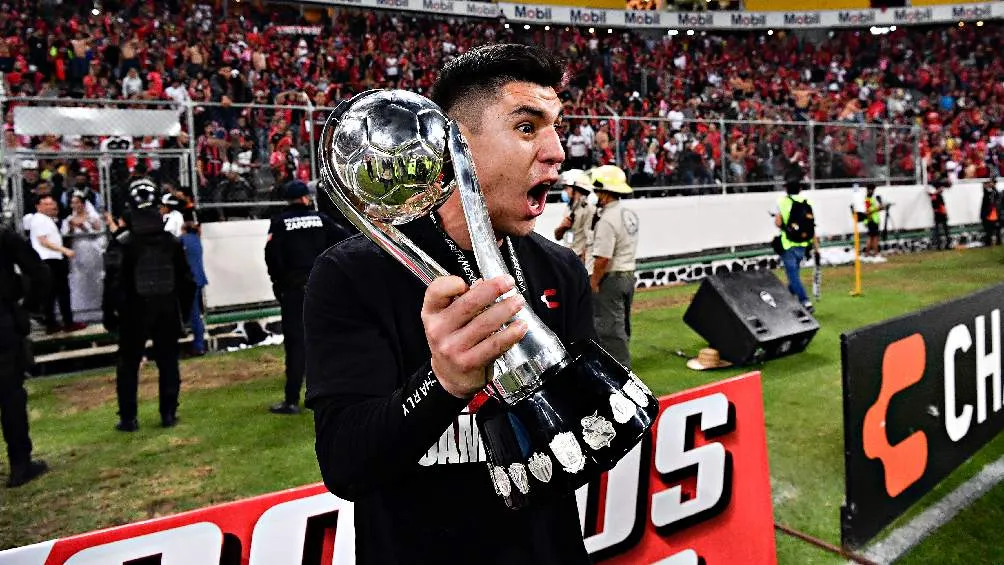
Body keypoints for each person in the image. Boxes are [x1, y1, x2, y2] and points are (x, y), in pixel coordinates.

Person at [305, 44, 594, 564]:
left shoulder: (561, 270)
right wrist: (441, 385)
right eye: (528, 128)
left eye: (556, 127)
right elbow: (346, 466)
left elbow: (575, 440)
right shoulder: (352, 274)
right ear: (453, 146)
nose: (557, 152)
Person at [102, 178, 195, 431]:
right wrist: (183, 314)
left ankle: (129, 418)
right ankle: (168, 414)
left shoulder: (123, 242)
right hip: (165, 308)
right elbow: (187, 282)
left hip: (133, 311)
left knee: (129, 363)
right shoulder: (171, 242)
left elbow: (112, 281)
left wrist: (109, 314)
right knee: (167, 361)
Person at [265, 180, 350, 415]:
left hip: (294, 291)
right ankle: (335, 394)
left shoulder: (279, 223)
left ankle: (292, 400)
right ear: (304, 198)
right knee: (330, 341)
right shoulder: (322, 220)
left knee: (296, 345)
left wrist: (280, 283)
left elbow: (272, 256)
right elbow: (346, 241)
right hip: (323, 291)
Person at [0, 226, 51, 487]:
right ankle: (20, 464)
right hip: (3, 322)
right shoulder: (5, 235)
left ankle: (21, 464)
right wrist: (27, 306)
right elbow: (38, 271)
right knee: (11, 396)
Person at [589, 164, 639, 369]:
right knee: (623, 324)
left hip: (612, 278)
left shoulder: (607, 220)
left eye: (598, 191)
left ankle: (621, 371)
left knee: (610, 328)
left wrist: (594, 282)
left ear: (606, 192)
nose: (596, 195)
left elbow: (603, 258)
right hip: (628, 275)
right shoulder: (628, 213)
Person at [29, 194, 85, 334]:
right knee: (57, 292)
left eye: (51, 204)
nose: (50, 207)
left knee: (56, 292)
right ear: (38, 206)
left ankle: (57, 323)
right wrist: (64, 250)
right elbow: (43, 241)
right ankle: (63, 323)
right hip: (49, 259)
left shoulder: (46, 219)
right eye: (46, 204)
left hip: (54, 258)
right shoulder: (39, 220)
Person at [60, 191, 106, 320]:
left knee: (94, 275)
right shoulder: (68, 219)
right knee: (78, 277)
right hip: (77, 249)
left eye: (77, 202)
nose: (75, 205)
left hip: (91, 249)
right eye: (72, 202)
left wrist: (84, 226)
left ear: (83, 203)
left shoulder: (93, 217)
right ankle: (80, 308)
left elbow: (98, 233)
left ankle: (96, 305)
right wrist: (70, 228)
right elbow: (65, 238)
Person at [774, 179, 816, 313]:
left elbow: (778, 222)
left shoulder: (783, 202)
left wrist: (784, 227)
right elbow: (811, 225)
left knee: (793, 277)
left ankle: (805, 301)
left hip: (788, 244)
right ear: (800, 189)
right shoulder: (806, 202)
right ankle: (786, 300)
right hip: (803, 244)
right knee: (794, 274)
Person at [552, 168, 596, 270]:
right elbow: (558, 236)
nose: (565, 192)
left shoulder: (589, 209)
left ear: (576, 189)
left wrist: (584, 264)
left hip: (579, 261)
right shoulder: (569, 208)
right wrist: (562, 227)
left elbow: (590, 240)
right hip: (568, 258)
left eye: (567, 188)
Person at [180, 221, 209, 356]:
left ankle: (198, 346)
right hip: (198, 279)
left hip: (189, 281)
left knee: (193, 314)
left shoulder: (182, 240)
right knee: (196, 313)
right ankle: (199, 344)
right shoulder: (196, 240)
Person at [862, 183, 889, 257]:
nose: (873, 191)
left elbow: (873, 209)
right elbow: (868, 211)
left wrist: (880, 207)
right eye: (872, 190)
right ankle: (874, 253)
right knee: (874, 237)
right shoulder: (868, 199)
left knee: (872, 237)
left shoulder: (871, 198)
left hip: (874, 220)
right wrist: (878, 208)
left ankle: (870, 253)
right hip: (872, 220)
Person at [928, 178, 951, 250]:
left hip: (940, 212)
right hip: (939, 213)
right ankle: (940, 245)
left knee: (942, 230)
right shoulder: (934, 195)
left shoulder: (935, 195)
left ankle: (944, 245)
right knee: (941, 230)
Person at [980, 178, 1001, 246]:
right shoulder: (987, 194)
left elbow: (997, 195)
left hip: (993, 215)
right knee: (988, 231)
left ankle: (997, 242)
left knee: (995, 230)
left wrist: (993, 186)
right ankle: (988, 242)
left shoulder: (994, 193)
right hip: (987, 215)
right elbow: (986, 192)